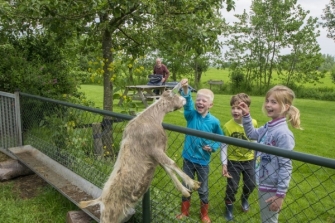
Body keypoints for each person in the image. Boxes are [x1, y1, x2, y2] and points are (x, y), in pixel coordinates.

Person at [238, 85, 302, 223]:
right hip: (263, 181)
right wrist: (246, 115)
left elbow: (286, 166)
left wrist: (280, 195)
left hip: (273, 187)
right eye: (267, 101)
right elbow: (252, 134)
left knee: (269, 221)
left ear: (285, 106)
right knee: (266, 219)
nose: (268, 105)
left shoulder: (283, 134)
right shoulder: (269, 126)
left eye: (273, 102)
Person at [176, 78, 224, 223]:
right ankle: (184, 212)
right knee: (186, 186)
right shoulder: (191, 115)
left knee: (203, 189)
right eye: (199, 100)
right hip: (188, 158)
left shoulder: (214, 122)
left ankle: (204, 215)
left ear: (210, 105)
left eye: (204, 101)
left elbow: (220, 138)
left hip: (203, 161)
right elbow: (188, 103)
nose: (200, 103)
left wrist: (213, 147)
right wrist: (185, 90)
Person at [220, 93, 258, 221]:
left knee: (251, 184)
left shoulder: (253, 123)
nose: (235, 111)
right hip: (233, 161)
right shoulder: (227, 126)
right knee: (232, 186)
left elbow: (255, 142)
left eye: (239, 108)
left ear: (247, 109)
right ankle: (229, 207)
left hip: (249, 160)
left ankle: (245, 198)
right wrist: (224, 164)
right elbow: (223, 146)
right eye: (233, 107)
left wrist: (257, 158)